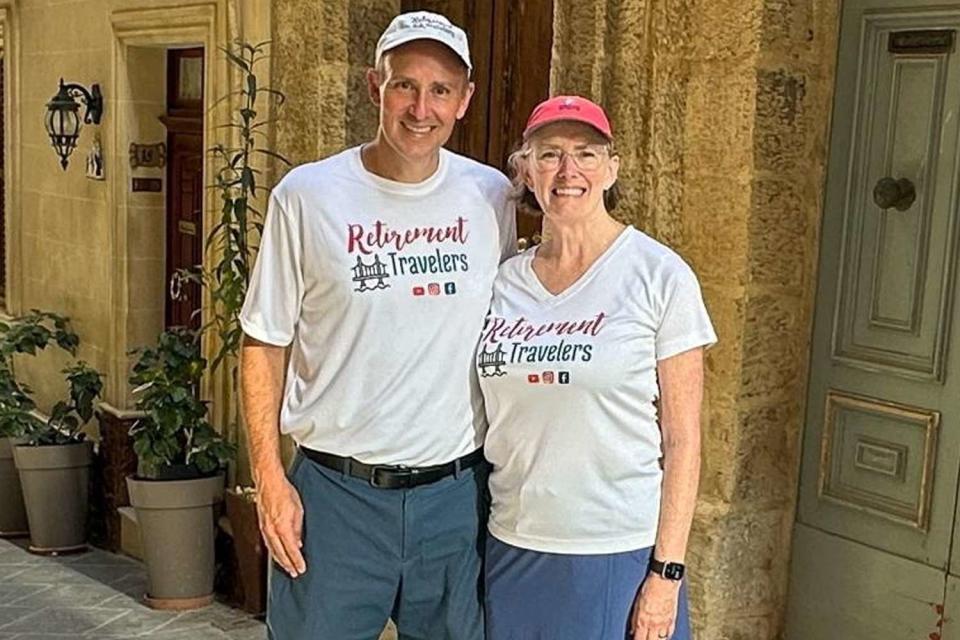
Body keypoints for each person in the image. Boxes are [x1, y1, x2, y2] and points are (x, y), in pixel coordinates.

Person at [239, 11, 516, 639]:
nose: (422, 108)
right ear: (374, 88)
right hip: (336, 499)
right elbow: (263, 342)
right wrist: (269, 479)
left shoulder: (491, 197)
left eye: (441, 89)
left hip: (454, 498)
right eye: (404, 85)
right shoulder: (306, 196)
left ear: (465, 101)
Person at [477, 96, 716, 640]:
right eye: (550, 154)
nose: (568, 171)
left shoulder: (660, 276)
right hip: (514, 545)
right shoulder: (502, 282)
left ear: (612, 168)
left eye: (586, 153)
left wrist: (666, 574)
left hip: (617, 553)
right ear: (525, 169)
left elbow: (683, 441)